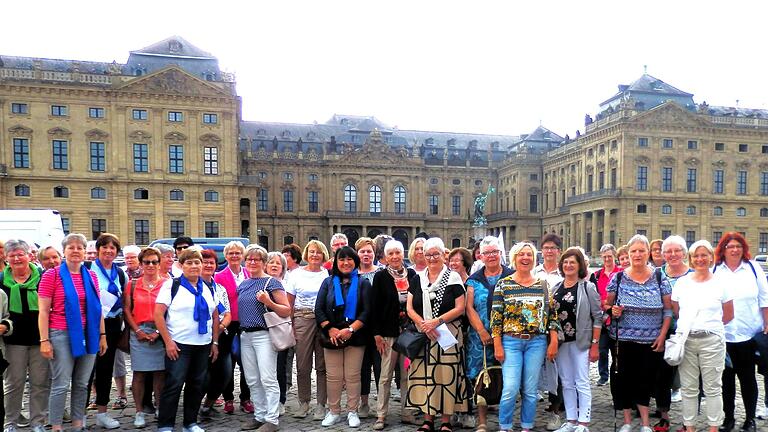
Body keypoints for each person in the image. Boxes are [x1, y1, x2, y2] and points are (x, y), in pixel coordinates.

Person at [38, 233, 107, 432]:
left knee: (82, 383)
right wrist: (44, 340)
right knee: (60, 384)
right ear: (64, 252)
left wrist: (102, 335)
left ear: (85, 252)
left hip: (90, 334)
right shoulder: (52, 275)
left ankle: (78, 424)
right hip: (60, 333)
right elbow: (43, 311)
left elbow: (97, 308)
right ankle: (56, 426)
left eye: (79, 247)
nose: (75, 250)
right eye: (71, 247)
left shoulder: (91, 275)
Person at [605, 234, 673, 432]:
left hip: (651, 340)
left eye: (641, 251)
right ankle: (626, 421)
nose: (637, 254)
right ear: (628, 253)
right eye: (633, 251)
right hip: (623, 339)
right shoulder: (618, 278)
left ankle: (645, 423)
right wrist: (612, 310)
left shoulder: (660, 277)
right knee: (624, 379)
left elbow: (668, 310)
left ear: (648, 253)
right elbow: (607, 304)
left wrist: (662, 335)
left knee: (646, 380)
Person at [492, 241, 559, 432]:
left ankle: (526, 426)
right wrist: (497, 344)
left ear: (534, 259)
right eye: (521, 254)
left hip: (536, 342)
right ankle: (505, 426)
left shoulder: (542, 285)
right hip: (511, 342)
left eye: (529, 254)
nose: (525, 258)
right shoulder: (504, 284)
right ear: (514, 258)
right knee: (510, 389)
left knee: (530, 390)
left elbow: (551, 316)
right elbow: (496, 318)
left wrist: (553, 340)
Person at [154, 248, 219, 432]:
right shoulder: (171, 285)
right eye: (189, 263)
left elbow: (215, 316)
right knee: (174, 384)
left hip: (202, 344)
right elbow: (158, 314)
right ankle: (165, 424)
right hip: (179, 344)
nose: (194, 266)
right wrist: (168, 341)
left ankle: (190, 422)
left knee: (196, 384)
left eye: (197, 262)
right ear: (181, 265)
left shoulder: (206, 287)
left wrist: (215, 342)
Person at [672, 240, 734, 432]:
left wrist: (708, 326)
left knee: (713, 388)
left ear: (710, 257)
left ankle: (713, 428)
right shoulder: (682, 283)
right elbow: (676, 310)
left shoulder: (721, 283)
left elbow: (729, 314)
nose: (700, 259)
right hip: (687, 341)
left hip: (712, 341)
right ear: (691, 259)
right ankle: (690, 427)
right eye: (696, 256)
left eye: (704, 255)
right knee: (689, 389)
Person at [406, 237, 467, 432]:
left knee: (447, 375)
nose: (432, 258)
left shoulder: (453, 278)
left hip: (447, 334)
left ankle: (446, 421)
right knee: (426, 377)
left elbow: (460, 308)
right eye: (428, 254)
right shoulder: (418, 278)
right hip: (425, 334)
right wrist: (424, 324)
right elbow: (409, 308)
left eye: (435, 254)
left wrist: (436, 322)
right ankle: (428, 419)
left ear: (443, 255)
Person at [713, 232, 768, 432]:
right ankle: (728, 419)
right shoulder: (716, 270)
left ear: (743, 249)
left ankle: (750, 419)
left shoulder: (753, 268)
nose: (735, 249)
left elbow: (765, 298)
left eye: (738, 246)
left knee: (748, 379)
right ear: (723, 250)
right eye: (730, 246)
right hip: (723, 334)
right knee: (726, 381)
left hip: (748, 334)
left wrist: (767, 324)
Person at [315, 246, 372, 428]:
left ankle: (352, 411)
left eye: (349, 259)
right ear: (336, 262)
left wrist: (351, 330)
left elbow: (367, 311)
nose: (345, 263)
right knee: (334, 376)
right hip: (332, 335)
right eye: (341, 259)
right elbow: (319, 309)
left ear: (355, 261)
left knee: (353, 375)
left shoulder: (363, 283)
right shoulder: (328, 282)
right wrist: (330, 329)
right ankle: (333, 411)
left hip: (355, 334)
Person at [237, 245, 290, 432]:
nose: (252, 262)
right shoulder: (243, 284)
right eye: (249, 259)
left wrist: (268, 302)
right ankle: (259, 416)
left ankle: (272, 419)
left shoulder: (272, 283)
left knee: (268, 378)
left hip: (264, 335)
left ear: (264, 263)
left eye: (257, 259)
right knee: (252, 378)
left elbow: (286, 310)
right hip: (245, 336)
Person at [550, 248, 602, 432]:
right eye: (565, 262)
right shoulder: (555, 288)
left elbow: (598, 317)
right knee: (566, 381)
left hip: (581, 341)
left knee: (581, 380)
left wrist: (595, 345)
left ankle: (584, 422)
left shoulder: (587, 287)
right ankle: (571, 420)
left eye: (572, 262)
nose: (568, 265)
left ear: (579, 265)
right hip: (561, 342)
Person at [466, 236, 514, 432]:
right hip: (479, 338)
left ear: (500, 254)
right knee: (480, 378)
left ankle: (506, 420)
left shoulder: (512, 277)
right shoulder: (474, 280)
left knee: (508, 378)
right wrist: (482, 331)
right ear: (481, 256)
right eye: (487, 253)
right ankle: (482, 421)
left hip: (508, 336)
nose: (492, 256)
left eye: (495, 252)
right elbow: (469, 308)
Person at [371, 239, 419, 430]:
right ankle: (381, 415)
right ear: (385, 257)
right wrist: (377, 334)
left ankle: (407, 412)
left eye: (397, 253)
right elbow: (374, 308)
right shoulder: (381, 277)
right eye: (390, 254)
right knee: (385, 376)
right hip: (388, 334)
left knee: (407, 375)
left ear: (403, 254)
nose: (395, 257)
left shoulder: (413, 275)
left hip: (409, 333)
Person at [2, 239, 44, 432]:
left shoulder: (42, 277)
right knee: (14, 383)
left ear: (29, 255)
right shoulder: (1, 281)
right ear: (6, 258)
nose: (17, 258)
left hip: (40, 340)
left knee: (39, 383)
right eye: (12, 255)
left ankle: (37, 422)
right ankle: (10, 422)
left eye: (21, 254)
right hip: (13, 341)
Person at [122, 247, 167, 428]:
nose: (150, 265)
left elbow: (169, 310)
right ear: (141, 264)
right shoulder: (132, 284)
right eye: (146, 262)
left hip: (160, 331)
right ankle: (139, 411)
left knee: (160, 373)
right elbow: (127, 309)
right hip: (138, 331)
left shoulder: (167, 284)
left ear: (159, 264)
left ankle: (159, 407)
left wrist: (158, 332)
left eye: (154, 262)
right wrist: (137, 331)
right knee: (139, 373)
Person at [86, 233, 127, 430]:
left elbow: (125, 299)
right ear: (98, 250)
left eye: (113, 248)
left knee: (105, 369)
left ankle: (102, 412)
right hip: (89, 325)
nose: (109, 251)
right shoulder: (87, 269)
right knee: (84, 371)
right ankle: (80, 413)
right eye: (105, 247)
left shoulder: (120, 273)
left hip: (111, 326)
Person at [652, 235, 693, 430]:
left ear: (684, 253)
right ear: (663, 254)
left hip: (690, 332)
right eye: (668, 251)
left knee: (689, 376)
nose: (672, 254)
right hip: (664, 331)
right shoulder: (657, 274)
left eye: (677, 250)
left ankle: (689, 420)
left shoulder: (694, 275)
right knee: (663, 376)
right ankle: (664, 414)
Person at [287, 240, 330, 420]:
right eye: (312, 252)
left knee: (322, 365)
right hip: (302, 320)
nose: (315, 255)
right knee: (303, 365)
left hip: (322, 323)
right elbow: (289, 301)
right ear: (306, 254)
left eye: (318, 252)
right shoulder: (296, 274)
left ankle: (321, 404)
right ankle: (304, 402)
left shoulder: (327, 274)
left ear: (323, 255)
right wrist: (290, 325)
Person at [213, 240, 254, 415]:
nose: (235, 256)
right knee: (227, 363)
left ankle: (246, 398)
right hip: (229, 324)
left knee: (247, 363)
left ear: (242, 255)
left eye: (238, 253)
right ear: (226, 256)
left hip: (247, 323)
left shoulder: (250, 274)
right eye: (231, 253)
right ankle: (228, 397)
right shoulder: (219, 276)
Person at [534, 233, 564, 431]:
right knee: (537, 367)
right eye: (546, 248)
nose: (550, 251)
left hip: (560, 326)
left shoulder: (565, 271)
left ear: (559, 251)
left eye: (553, 248)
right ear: (542, 251)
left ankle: (556, 407)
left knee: (557, 369)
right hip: (536, 326)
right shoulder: (535, 272)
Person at [199, 249, 233, 421]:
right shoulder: (193, 287)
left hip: (221, 336)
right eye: (204, 262)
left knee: (224, 373)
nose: (208, 265)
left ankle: (208, 405)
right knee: (201, 375)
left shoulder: (219, 288)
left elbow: (227, 312)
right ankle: (194, 407)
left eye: (211, 262)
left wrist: (219, 327)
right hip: (200, 337)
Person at [354, 237, 380, 419]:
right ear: (357, 253)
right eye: (362, 251)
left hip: (378, 327)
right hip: (359, 327)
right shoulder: (352, 274)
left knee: (380, 367)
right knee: (362, 367)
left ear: (374, 253)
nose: (366, 254)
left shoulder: (382, 273)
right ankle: (363, 403)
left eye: (369, 251)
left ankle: (381, 403)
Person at [589, 244, 622, 387]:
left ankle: (616, 374)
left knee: (616, 350)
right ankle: (603, 375)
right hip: (602, 318)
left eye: (610, 256)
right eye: (605, 257)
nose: (607, 259)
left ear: (614, 256)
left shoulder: (621, 273)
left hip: (618, 317)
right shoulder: (596, 275)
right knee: (602, 349)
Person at [265, 251, 290, 415]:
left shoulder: (287, 284)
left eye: (278, 263)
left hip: (280, 330)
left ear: (283, 268)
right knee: (265, 369)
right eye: (271, 262)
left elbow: (289, 309)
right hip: (262, 330)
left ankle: (280, 400)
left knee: (279, 367)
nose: (274, 265)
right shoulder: (259, 282)